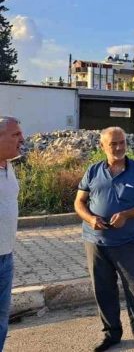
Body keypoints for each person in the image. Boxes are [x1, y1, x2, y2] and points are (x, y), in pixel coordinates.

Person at [74, 127, 134, 352]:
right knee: (103, 291)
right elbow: (79, 203)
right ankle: (111, 334)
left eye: (122, 142)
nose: (119, 147)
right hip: (95, 242)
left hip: (129, 242)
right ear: (102, 146)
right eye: (113, 144)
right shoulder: (93, 171)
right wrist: (91, 219)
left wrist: (127, 215)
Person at [0, 117, 23, 351]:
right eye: (15, 135)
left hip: (6, 257)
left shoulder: (9, 167)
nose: (22, 139)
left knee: (1, 319)